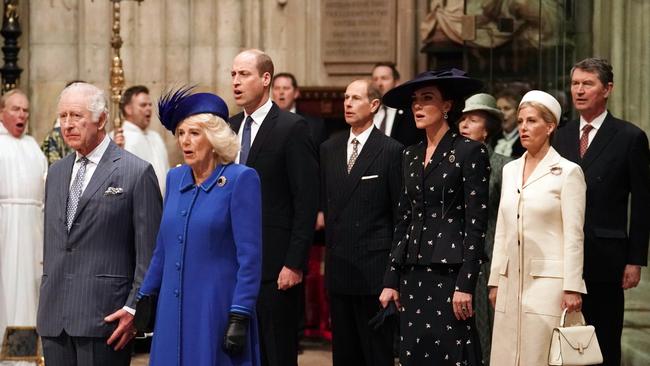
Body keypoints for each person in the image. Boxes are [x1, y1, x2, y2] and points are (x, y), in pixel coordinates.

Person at [36, 82, 162, 366]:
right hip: (54, 317)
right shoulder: (55, 172)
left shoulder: (136, 172)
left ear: (102, 119)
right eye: (63, 116)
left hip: (107, 318)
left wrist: (134, 308)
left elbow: (150, 253)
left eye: (76, 116)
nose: (67, 125)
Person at [137, 88, 262, 365]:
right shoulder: (175, 178)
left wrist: (240, 312)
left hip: (215, 308)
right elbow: (162, 248)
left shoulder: (241, 179)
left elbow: (250, 257)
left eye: (194, 133)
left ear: (215, 137)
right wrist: (145, 295)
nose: (185, 141)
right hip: (172, 308)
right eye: (181, 133)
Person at [378, 68, 488, 366]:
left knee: (452, 354)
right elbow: (404, 219)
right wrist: (391, 278)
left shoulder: (470, 151)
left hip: (449, 273)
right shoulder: (409, 155)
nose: (417, 106)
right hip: (412, 272)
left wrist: (466, 283)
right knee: (414, 353)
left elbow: (476, 225)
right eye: (415, 100)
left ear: (447, 106)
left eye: (427, 99)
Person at [553, 57, 650, 366]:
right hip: (562, 257)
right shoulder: (560, 135)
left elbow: (643, 204)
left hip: (606, 257)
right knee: (563, 343)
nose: (579, 91)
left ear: (607, 89)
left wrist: (635, 259)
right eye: (575, 84)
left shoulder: (629, 137)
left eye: (588, 84)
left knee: (603, 343)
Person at [229, 49, 319, 366]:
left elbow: (306, 201)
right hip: (234, 262)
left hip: (275, 264)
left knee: (275, 352)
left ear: (265, 78)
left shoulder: (292, 127)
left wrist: (294, 263)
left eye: (244, 74)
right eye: (233, 75)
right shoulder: (229, 126)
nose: (236, 82)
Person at [488, 90, 587, 365]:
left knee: (539, 355)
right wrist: (495, 279)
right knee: (506, 355)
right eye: (520, 121)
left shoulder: (568, 172)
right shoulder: (509, 170)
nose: (523, 127)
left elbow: (574, 235)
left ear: (550, 125)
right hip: (510, 282)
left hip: (548, 285)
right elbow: (503, 230)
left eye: (531, 121)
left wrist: (572, 286)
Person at [320, 79, 403, 366]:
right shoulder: (329, 148)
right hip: (340, 268)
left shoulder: (391, 150)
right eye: (346, 97)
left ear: (374, 105)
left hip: (374, 273)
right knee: (344, 355)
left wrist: (393, 278)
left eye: (355, 98)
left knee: (376, 354)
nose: (348, 103)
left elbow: (399, 217)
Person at [457, 93, 512, 364]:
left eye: (473, 119)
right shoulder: (449, 162)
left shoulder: (503, 166)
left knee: (484, 326)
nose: (465, 124)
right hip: (454, 252)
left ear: (487, 128)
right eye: (463, 119)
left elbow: (508, 220)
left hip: (488, 254)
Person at [0, 90, 47, 334]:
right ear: (1, 112)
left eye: (25, 110)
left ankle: (23, 354)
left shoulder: (32, 147)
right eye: (15, 109)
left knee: (30, 290)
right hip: (5, 230)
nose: (22, 115)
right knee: (7, 291)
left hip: (33, 230)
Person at [111, 85, 170, 194]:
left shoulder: (155, 137)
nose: (148, 108)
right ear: (128, 109)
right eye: (143, 105)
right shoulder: (119, 139)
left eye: (150, 105)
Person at [371, 62, 424, 146]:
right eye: (375, 79)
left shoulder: (410, 112)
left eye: (384, 78)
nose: (379, 84)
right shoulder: (368, 111)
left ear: (396, 82)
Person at [272, 72, 327, 148]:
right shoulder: (263, 122)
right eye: (277, 88)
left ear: (296, 93)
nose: (281, 92)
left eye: (286, 88)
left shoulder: (315, 125)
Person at [494, 90, 525, 158]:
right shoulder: (492, 138)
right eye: (499, 109)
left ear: (518, 112)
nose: (501, 113)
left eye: (507, 108)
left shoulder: (525, 140)